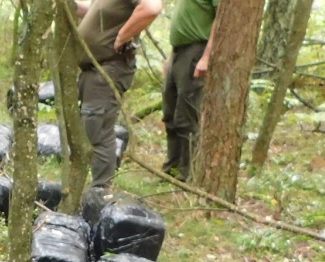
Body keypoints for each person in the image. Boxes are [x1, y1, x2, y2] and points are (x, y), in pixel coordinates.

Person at [76, 0, 163, 189]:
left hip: (109, 67)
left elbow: (151, 7)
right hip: (94, 69)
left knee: (98, 131)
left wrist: (122, 37)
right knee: (90, 128)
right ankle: (90, 190)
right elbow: (95, 12)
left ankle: (100, 193)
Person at [163, 0, 219, 178]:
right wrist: (171, 57)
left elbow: (221, 20)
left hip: (196, 50)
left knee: (186, 115)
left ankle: (187, 173)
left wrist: (207, 56)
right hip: (178, 52)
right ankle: (171, 168)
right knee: (169, 112)